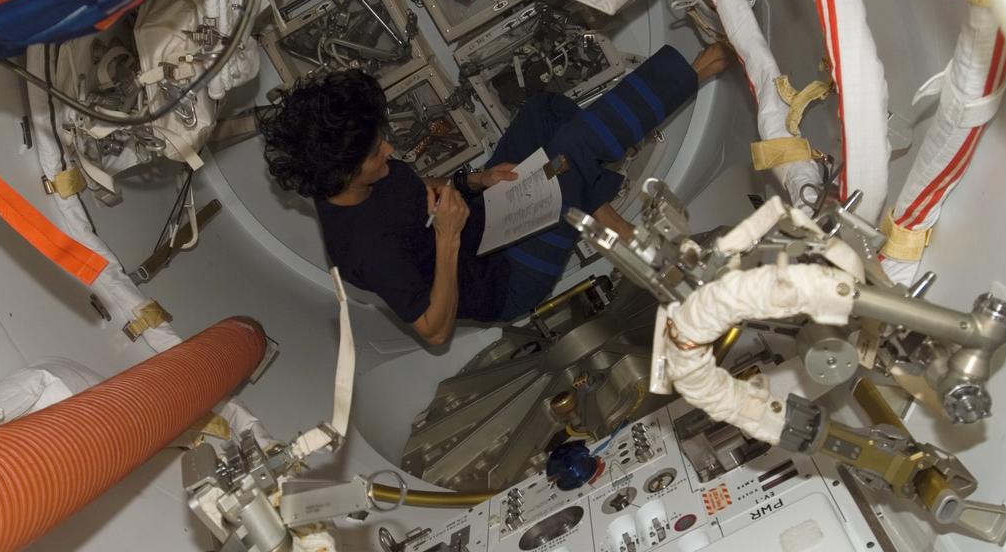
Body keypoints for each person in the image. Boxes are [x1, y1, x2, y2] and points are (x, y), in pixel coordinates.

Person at [258, 42, 733, 347]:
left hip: (489, 218)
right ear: (340, 172)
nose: (388, 149)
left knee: (544, 114)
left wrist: (474, 182)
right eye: (373, 151)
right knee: (570, 154)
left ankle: (605, 217)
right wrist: (448, 238)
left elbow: (423, 190)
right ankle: (697, 70)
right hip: (507, 278)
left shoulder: (361, 174)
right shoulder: (363, 250)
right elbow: (434, 331)